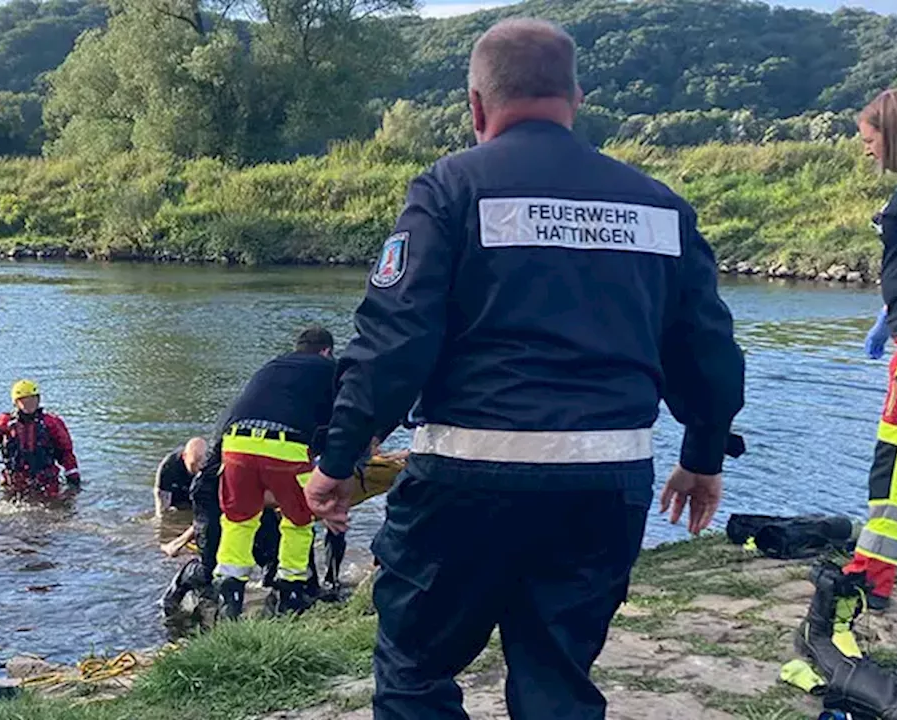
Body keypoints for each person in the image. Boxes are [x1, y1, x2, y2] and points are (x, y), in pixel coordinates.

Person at [303, 18, 745, 720]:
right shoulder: (659, 207)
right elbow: (709, 349)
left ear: (475, 106)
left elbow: (395, 340)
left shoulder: (450, 188)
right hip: (605, 482)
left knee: (416, 670)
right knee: (557, 678)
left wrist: (339, 452)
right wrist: (702, 453)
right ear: (576, 97)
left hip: (467, 479)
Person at [845, 88, 897, 612]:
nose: (866, 150)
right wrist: (886, 316)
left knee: (896, 458)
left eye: (869, 140)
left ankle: (872, 575)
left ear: (890, 135)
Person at [211, 326, 338, 618]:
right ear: (326, 351)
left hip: (235, 443)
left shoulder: (272, 366)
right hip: (286, 446)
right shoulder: (329, 368)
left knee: (238, 520)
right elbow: (340, 419)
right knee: (298, 519)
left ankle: (230, 595)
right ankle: (291, 592)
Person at [0, 379, 81, 500]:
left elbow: (65, 451)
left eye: (33, 399)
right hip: (14, 481)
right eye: (25, 400)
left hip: (47, 481)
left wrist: (72, 472)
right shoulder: (3, 423)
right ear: (16, 403)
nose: (30, 404)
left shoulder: (51, 423)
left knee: (53, 507)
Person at [155, 437, 208, 518]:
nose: (199, 467)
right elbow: (162, 510)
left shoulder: (211, 464)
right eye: (194, 464)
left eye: (202, 462)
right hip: (178, 492)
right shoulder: (169, 467)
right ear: (184, 456)